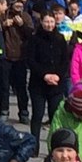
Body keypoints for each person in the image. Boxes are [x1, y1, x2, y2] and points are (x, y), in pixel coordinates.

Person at [27, 11, 69, 139]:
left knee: (55, 117)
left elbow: (65, 60)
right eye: (46, 21)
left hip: (56, 85)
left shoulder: (60, 38)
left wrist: (58, 76)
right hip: (38, 84)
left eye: (51, 22)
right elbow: (31, 61)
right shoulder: (34, 39)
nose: (49, 25)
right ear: (41, 22)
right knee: (37, 115)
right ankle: (34, 146)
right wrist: (45, 75)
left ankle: (54, 147)